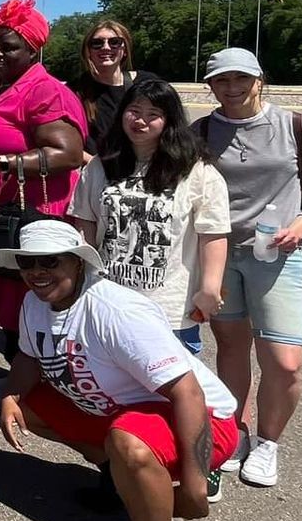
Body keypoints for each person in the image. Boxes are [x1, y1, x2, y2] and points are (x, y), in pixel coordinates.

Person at [0, 221, 239, 521]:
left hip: (204, 420)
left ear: (77, 263)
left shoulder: (115, 311)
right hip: (124, 411)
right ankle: (122, 478)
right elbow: (28, 358)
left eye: (49, 261)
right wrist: (10, 395)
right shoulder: (35, 301)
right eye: (28, 263)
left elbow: (188, 393)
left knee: (130, 442)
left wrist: (196, 485)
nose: (37, 271)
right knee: (29, 404)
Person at [197, 48, 302, 490]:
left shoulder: (297, 127)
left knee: (285, 361)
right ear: (211, 86)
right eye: (222, 81)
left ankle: (269, 442)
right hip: (220, 255)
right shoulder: (200, 131)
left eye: (241, 79)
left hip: (278, 256)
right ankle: (233, 432)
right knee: (232, 348)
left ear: (260, 79)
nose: (232, 88)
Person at [0, 0, 87, 418]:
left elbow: (68, 152)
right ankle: (17, 378)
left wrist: (4, 163)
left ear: (33, 49)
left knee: (30, 298)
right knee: (9, 302)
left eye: (10, 47)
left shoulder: (45, 91)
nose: (1, 54)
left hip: (29, 214)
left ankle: (31, 398)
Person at [68, 76, 230, 365]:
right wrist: (85, 277)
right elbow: (85, 222)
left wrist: (209, 288)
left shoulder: (196, 170)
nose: (140, 121)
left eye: (153, 115)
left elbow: (213, 233)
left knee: (174, 392)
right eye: (134, 111)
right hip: (108, 300)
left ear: (169, 121)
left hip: (168, 308)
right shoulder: (99, 166)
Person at [69, 18, 159, 157]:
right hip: (96, 172)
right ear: (88, 51)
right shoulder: (74, 91)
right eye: (97, 43)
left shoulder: (148, 82)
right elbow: (68, 140)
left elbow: (169, 127)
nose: (106, 47)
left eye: (114, 42)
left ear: (125, 50)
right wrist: (97, 169)